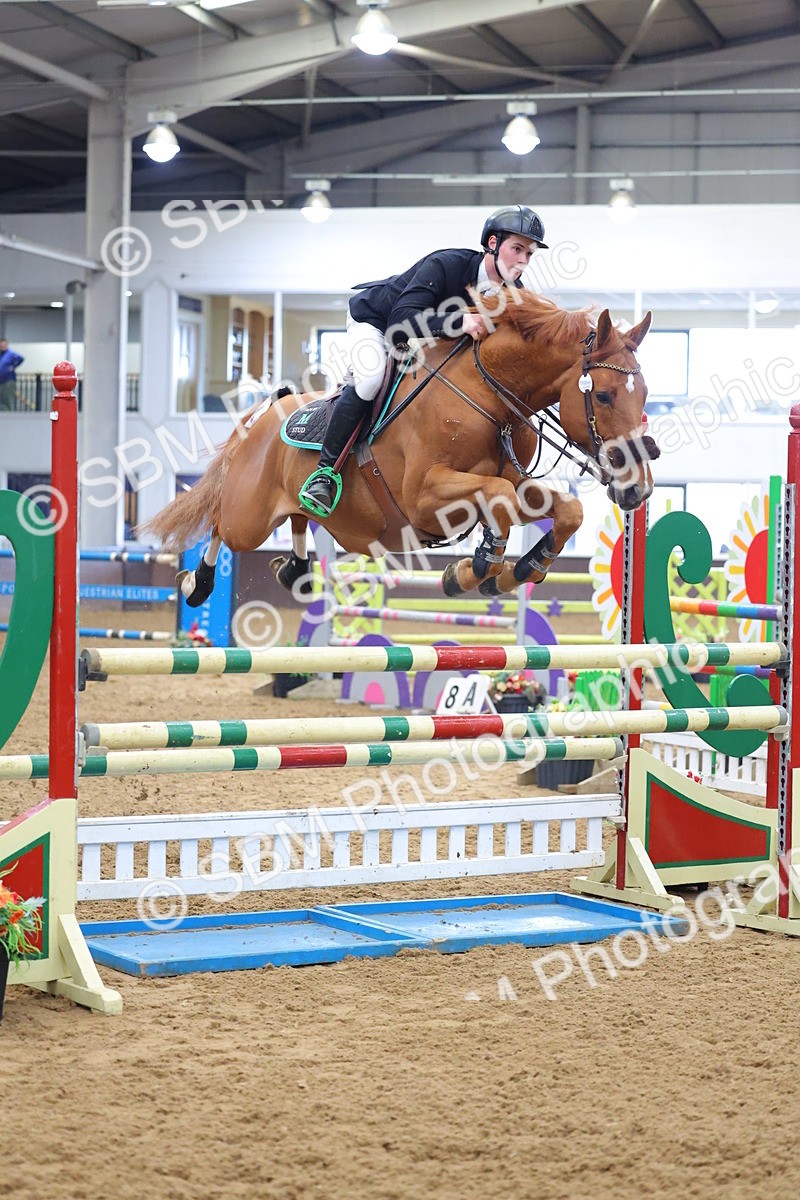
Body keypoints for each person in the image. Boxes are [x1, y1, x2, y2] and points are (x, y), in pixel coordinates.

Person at [298, 205, 548, 517]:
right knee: (371, 378)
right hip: (377, 321)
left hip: (426, 338)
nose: (523, 261)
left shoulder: (514, 293)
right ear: (493, 243)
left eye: (529, 254)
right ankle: (325, 473)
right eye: (517, 249)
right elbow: (399, 323)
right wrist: (459, 321)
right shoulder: (446, 264)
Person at [0, 339, 23, 412]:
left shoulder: (10, 353)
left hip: (9, 380)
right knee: (2, 398)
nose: (2, 347)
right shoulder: (1, 355)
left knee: (8, 397)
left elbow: (21, 358)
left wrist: (13, 366)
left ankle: (8, 412)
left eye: (3, 345)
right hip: (1, 380)